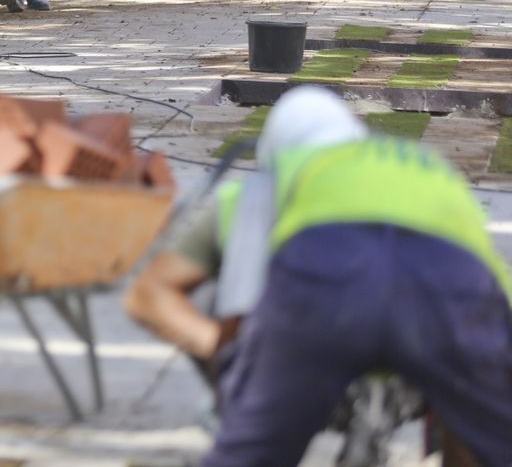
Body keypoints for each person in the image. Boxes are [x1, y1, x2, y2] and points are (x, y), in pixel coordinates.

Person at [192, 87, 512, 467]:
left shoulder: (273, 180)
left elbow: (238, 309)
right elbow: (487, 275)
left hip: (329, 280)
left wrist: (240, 395)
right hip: (452, 284)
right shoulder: (423, 165)